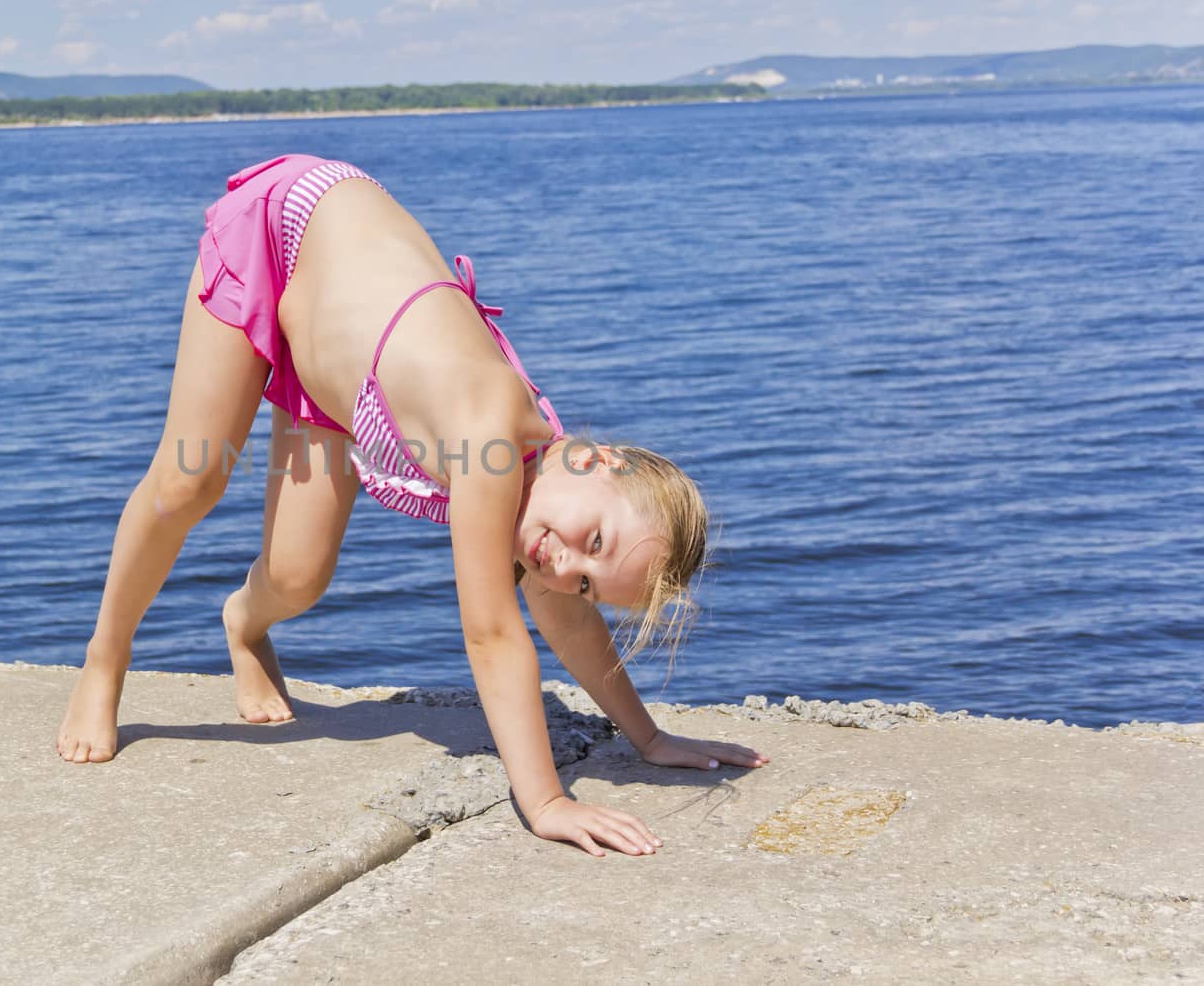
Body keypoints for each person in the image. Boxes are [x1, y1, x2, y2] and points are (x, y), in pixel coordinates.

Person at [57, 154, 768, 857]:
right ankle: (105, 657)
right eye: (597, 543)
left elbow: (568, 620)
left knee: (298, 576)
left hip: (336, 357)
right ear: (596, 458)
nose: (564, 564)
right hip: (289, 229)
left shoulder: (548, 491)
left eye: (586, 576)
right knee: (193, 479)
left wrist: (648, 737)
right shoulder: (492, 436)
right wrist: (547, 800)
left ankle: (242, 624)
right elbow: (492, 633)